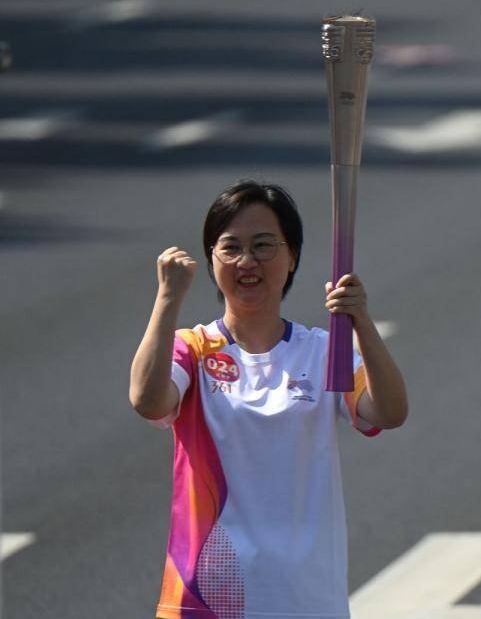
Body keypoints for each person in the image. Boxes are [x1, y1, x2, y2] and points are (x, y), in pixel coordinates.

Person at [130, 179, 408, 619]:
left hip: (305, 598)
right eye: (230, 247)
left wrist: (361, 324)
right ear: (210, 260)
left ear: (292, 255)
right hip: (207, 597)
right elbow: (148, 400)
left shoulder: (324, 352)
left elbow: (388, 412)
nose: (247, 262)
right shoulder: (193, 350)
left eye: (263, 245)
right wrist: (167, 298)